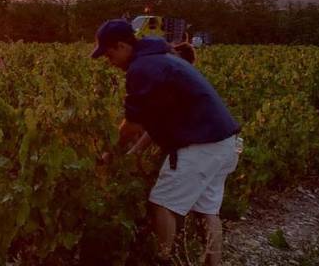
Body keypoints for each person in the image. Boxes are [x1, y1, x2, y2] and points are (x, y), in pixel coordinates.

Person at [92, 19, 240, 265]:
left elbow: (134, 123)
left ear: (121, 46)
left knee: (162, 203)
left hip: (200, 145)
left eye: (109, 56)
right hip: (223, 143)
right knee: (206, 211)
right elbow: (157, 118)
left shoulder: (143, 68)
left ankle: (163, 259)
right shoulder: (163, 58)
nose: (111, 63)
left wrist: (112, 152)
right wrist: (135, 152)